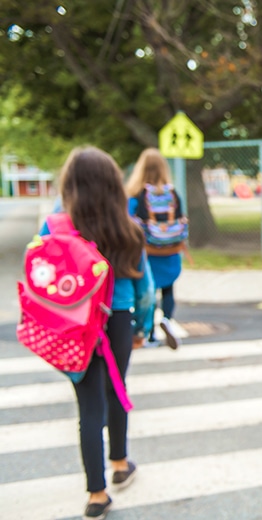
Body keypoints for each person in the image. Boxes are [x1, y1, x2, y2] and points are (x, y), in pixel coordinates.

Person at [42, 146, 155, 520]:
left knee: (88, 405)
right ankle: (120, 461)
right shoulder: (129, 228)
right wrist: (142, 327)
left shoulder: (54, 226)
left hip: (72, 326)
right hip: (117, 319)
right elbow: (146, 291)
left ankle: (97, 493)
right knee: (117, 388)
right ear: (113, 184)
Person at [125, 147, 185, 350]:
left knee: (147, 292)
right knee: (167, 289)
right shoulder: (172, 194)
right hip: (171, 250)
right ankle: (167, 319)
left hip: (147, 252)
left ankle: (149, 334)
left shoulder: (135, 196)